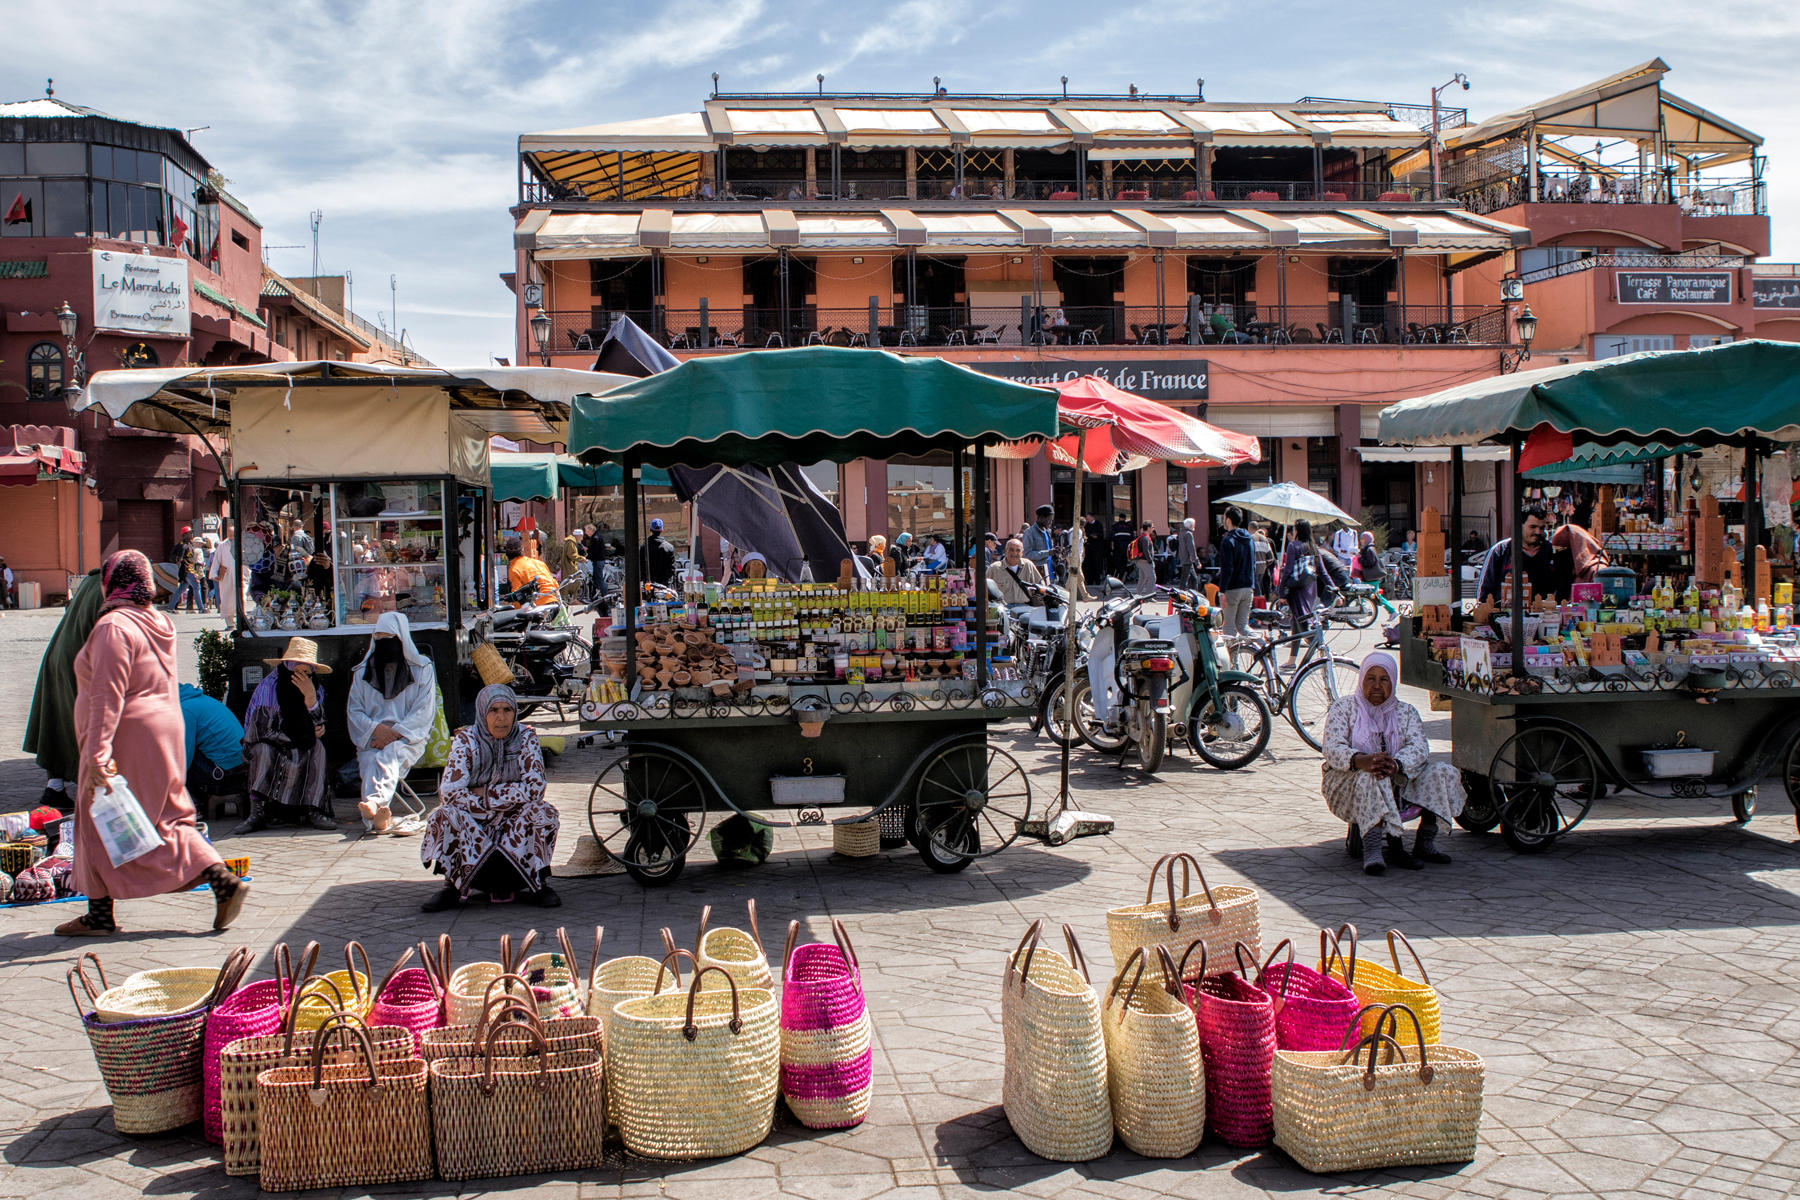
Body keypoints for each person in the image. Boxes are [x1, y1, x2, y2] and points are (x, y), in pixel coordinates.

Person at [58, 550, 245, 936]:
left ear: (111, 583)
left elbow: (107, 694)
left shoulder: (114, 627)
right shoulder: (159, 621)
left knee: (101, 816)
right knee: (166, 817)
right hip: (167, 729)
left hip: (129, 734)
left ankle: (99, 915)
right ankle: (221, 879)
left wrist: (97, 753)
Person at [1321, 652, 1465, 875]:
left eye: (1384, 679)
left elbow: (1419, 747)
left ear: (1392, 682)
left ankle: (1425, 843)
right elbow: (1332, 747)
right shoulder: (1344, 708)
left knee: (1443, 771)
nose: (1377, 686)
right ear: (1361, 681)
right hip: (1348, 782)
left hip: (1401, 778)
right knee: (1372, 777)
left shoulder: (1406, 711)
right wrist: (1361, 760)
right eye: (1371, 678)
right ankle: (1373, 850)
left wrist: (1396, 764)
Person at [419, 683, 559, 912]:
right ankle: (451, 888)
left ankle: (539, 884)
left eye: (507, 710)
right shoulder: (466, 740)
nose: (501, 718)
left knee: (542, 812)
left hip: (513, 827)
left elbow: (535, 789)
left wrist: (483, 794)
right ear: (482, 712)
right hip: (475, 825)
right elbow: (450, 792)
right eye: (493, 710)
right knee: (444, 816)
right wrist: (503, 799)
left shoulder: (526, 738)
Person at [346, 612, 438, 834]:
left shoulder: (421, 669)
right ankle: (377, 816)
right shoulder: (362, 673)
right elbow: (355, 710)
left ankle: (375, 803)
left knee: (390, 754)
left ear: (402, 639)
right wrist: (376, 730)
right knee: (369, 760)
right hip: (373, 738)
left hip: (407, 739)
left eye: (390, 639)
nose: (385, 645)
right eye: (380, 639)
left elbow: (423, 712)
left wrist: (394, 733)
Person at [236, 637, 336, 833]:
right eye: (296, 671)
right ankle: (257, 812)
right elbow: (261, 731)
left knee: (318, 749)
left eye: (306, 672)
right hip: (268, 741)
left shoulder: (315, 689)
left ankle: (313, 809)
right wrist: (299, 736)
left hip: (298, 741)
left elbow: (318, 727)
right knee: (263, 750)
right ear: (287, 667)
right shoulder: (269, 688)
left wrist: (310, 699)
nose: (301, 677)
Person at [24, 567, 103, 812]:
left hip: (58, 653)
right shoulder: (110, 585)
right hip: (79, 659)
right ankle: (89, 787)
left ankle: (55, 786)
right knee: (77, 723)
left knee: (56, 718)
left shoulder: (92, 580)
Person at [1476, 505, 1570, 604]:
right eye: (1533, 527)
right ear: (1519, 526)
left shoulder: (1551, 551)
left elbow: (1562, 587)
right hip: (1507, 616)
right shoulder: (1500, 551)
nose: (1538, 532)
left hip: (1544, 615)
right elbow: (1484, 590)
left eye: (1541, 528)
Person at [1277, 519, 1335, 669]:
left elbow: (1288, 570)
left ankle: (1325, 653)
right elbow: (1322, 572)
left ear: (1297, 530)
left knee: (1303, 627)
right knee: (1296, 625)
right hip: (1309, 590)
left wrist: (1281, 592)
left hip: (1296, 591)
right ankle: (1291, 661)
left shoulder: (1293, 546)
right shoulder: (1313, 547)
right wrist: (1334, 588)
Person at [179, 682, 246, 806]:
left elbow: (183, 755)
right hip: (239, 763)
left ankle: (194, 806)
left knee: (174, 763)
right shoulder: (201, 700)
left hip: (224, 770)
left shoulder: (185, 709)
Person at [1216, 506, 1255, 637]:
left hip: (1232, 588)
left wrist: (1222, 591)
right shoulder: (1249, 539)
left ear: (1228, 520)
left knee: (1228, 628)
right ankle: (1263, 647)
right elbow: (1253, 564)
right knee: (1243, 627)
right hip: (1248, 587)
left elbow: (1227, 568)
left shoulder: (1227, 541)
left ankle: (1232, 658)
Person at [987, 537, 1046, 605]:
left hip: (1025, 608)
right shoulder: (994, 568)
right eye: (1011, 550)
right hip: (1004, 609)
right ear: (1006, 551)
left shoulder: (1028, 565)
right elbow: (985, 590)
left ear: (1022, 553)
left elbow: (1041, 585)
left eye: (1018, 550)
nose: (1014, 553)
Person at [504, 538, 560, 606]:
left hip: (538, 604)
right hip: (554, 599)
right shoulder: (539, 563)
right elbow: (554, 582)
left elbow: (517, 594)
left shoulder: (514, 569)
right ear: (522, 550)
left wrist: (517, 612)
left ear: (506, 553)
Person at [167, 533, 207, 613]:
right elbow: (180, 559)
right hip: (187, 569)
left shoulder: (188, 544)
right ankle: (201, 608)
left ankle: (170, 607)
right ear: (185, 534)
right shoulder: (184, 546)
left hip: (186, 569)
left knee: (181, 589)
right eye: (189, 533)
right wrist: (182, 567)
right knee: (196, 586)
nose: (191, 534)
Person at [209, 522, 239, 623]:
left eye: (233, 534)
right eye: (230, 534)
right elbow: (216, 560)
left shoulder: (241, 544)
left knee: (240, 597)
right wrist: (214, 574)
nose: (231, 537)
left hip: (239, 575)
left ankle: (240, 620)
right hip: (226, 575)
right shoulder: (222, 546)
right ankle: (229, 622)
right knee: (226, 598)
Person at [641, 517, 676, 587]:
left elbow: (641, 567)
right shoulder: (669, 547)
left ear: (650, 530)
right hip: (664, 585)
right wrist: (665, 580)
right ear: (662, 530)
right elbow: (672, 568)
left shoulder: (644, 547)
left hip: (648, 585)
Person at [1022, 505, 1056, 576]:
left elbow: (1050, 552)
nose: (1050, 522)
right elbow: (1026, 554)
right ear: (1041, 517)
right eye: (1049, 519)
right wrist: (1048, 553)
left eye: (1052, 520)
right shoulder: (1029, 533)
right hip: (1036, 574)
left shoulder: (1047, 532)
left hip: (1049, 573)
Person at [1130, 523, 1157, 596]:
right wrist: (1150, 560)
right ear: (1148, 528)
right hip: (1145, 561)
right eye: (1152, 527)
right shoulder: (1145, 538)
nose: (1153, 529)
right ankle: (1149, 595)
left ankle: (1138, 594)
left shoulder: (1141, 537)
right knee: (1152, 578)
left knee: (1142, 578)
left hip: (1140, 561)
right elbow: (1146, 550)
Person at [1250, 522, 1275, 596]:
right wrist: (1265, 563)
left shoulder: (1250, 538)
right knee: (1258, 586)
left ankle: (1258, 603)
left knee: (1255, 588)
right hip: (1262, 567)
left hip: (1253, 567)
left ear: (1250, 528)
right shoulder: (1265, 539)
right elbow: (1271, 557)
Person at [1177, 517, 1200, 589]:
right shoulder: (1188, 534)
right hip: (1188, 559)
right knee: (1192, 580)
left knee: (1190, 578)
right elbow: (1191, 549)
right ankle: (1194, 595)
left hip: (1184, 558)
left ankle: (1185, 593)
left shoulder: (1181, 533)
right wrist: (1197, 562)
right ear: (1190, 525)